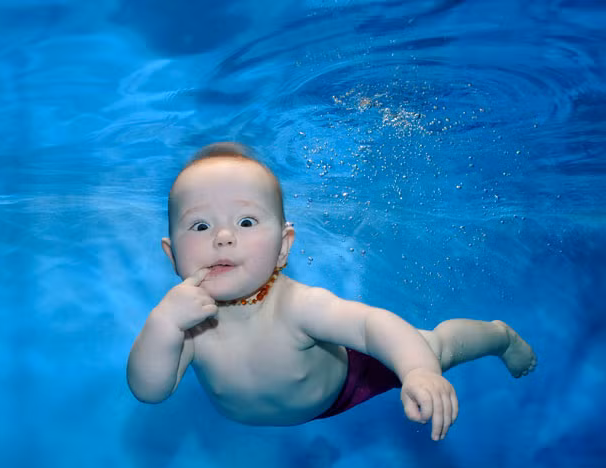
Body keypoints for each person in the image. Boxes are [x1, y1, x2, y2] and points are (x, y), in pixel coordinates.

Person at [127, 142, 537, 441]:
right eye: (200, 226)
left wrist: (418, 371)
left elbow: (371, 325)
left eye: (247, 222)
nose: (222, 237)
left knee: (434, 347)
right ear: (171, 253)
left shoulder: (299, 307)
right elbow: (150, 390)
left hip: (344, 384)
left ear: (284, 246)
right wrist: (163, 323)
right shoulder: (186, 324)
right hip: (282, 411)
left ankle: (498, 336)